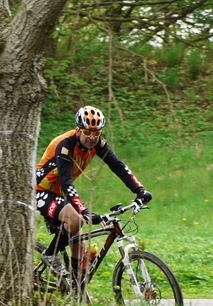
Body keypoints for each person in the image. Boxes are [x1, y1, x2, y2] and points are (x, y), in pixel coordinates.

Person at [35, 105, 152, 280]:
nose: (92, 137)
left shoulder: (98, 144)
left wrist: (139, 190)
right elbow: (66, 183)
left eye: (96, 133)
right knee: (77, 220)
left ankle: (76, 288)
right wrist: (84, 211)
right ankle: (50, 255)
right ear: (78, 130)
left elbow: (117, 166)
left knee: (79, 245)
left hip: (59, 194)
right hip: (39, 190)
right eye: (87, 132)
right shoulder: (65, 145)